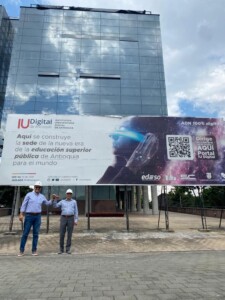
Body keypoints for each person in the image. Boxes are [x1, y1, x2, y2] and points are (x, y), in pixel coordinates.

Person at [97, 116, 163, 184]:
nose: (112, 135)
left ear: (147, 138)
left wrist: (131, 168)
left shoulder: (151, 177)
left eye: (122, 129)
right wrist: (117, 166)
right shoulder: (118, 170)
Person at [18, 181, 55, 256]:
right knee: (25, 233)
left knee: (36, 234)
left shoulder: (42, 196)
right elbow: (24, 205)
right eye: (36, 187)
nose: (37, 188)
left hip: (38, 216)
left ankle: (34, 250)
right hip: (29, 216)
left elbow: (47, 203)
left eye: (39, 187)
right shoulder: (29, 195)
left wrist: (52, 199)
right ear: (34, 187)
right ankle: (21, 251)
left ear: (40, 188)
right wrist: (21, 214)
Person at [53, 189, 78, 254]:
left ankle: (68, 249)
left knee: (69, 234)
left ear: (71, 195)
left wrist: (76, 220)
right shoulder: (62, 201)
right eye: (68, 193)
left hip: (71, 218)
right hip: (63, 218)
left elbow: (76, 211)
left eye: (70, 194)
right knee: (62, 234)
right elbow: (55, 206)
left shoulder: (74, 202)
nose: (69, 195)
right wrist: (55, 199)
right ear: (66, 194)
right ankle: (61, 249)